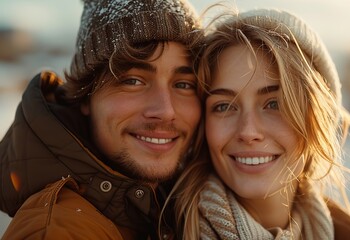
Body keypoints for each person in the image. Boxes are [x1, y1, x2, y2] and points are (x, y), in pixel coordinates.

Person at [166, 8, 350, 240]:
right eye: (224, 106)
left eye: (274, 104)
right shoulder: (161, 230)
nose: (248, 132)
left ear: (316, 118)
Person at [0, 0, 204, 239]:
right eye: (132, 81)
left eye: (183, 85)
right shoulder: (58, 230)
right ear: (86, 97)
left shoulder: (179, 208)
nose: (166, 110)